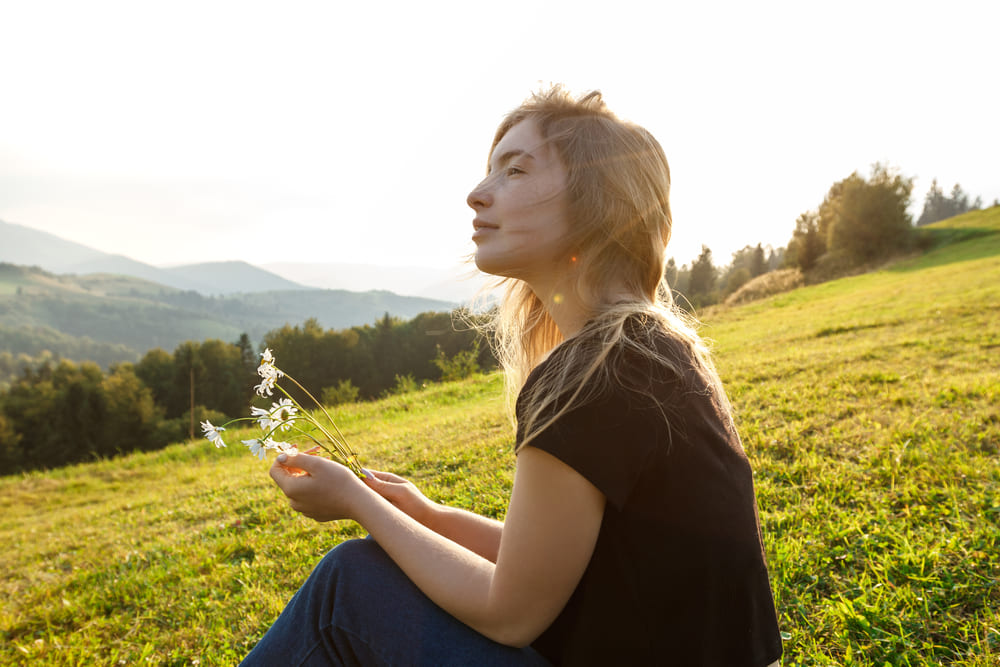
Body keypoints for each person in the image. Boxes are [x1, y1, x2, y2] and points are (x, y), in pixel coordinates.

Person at [241, 86, 783, 666]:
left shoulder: (593, 374)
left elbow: (511, 612)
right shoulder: (644, 349)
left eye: (515, 171)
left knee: (347, 585)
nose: (477, 195)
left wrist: (355, 500)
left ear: (597, 203)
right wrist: (425, 515)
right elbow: (549, 564)